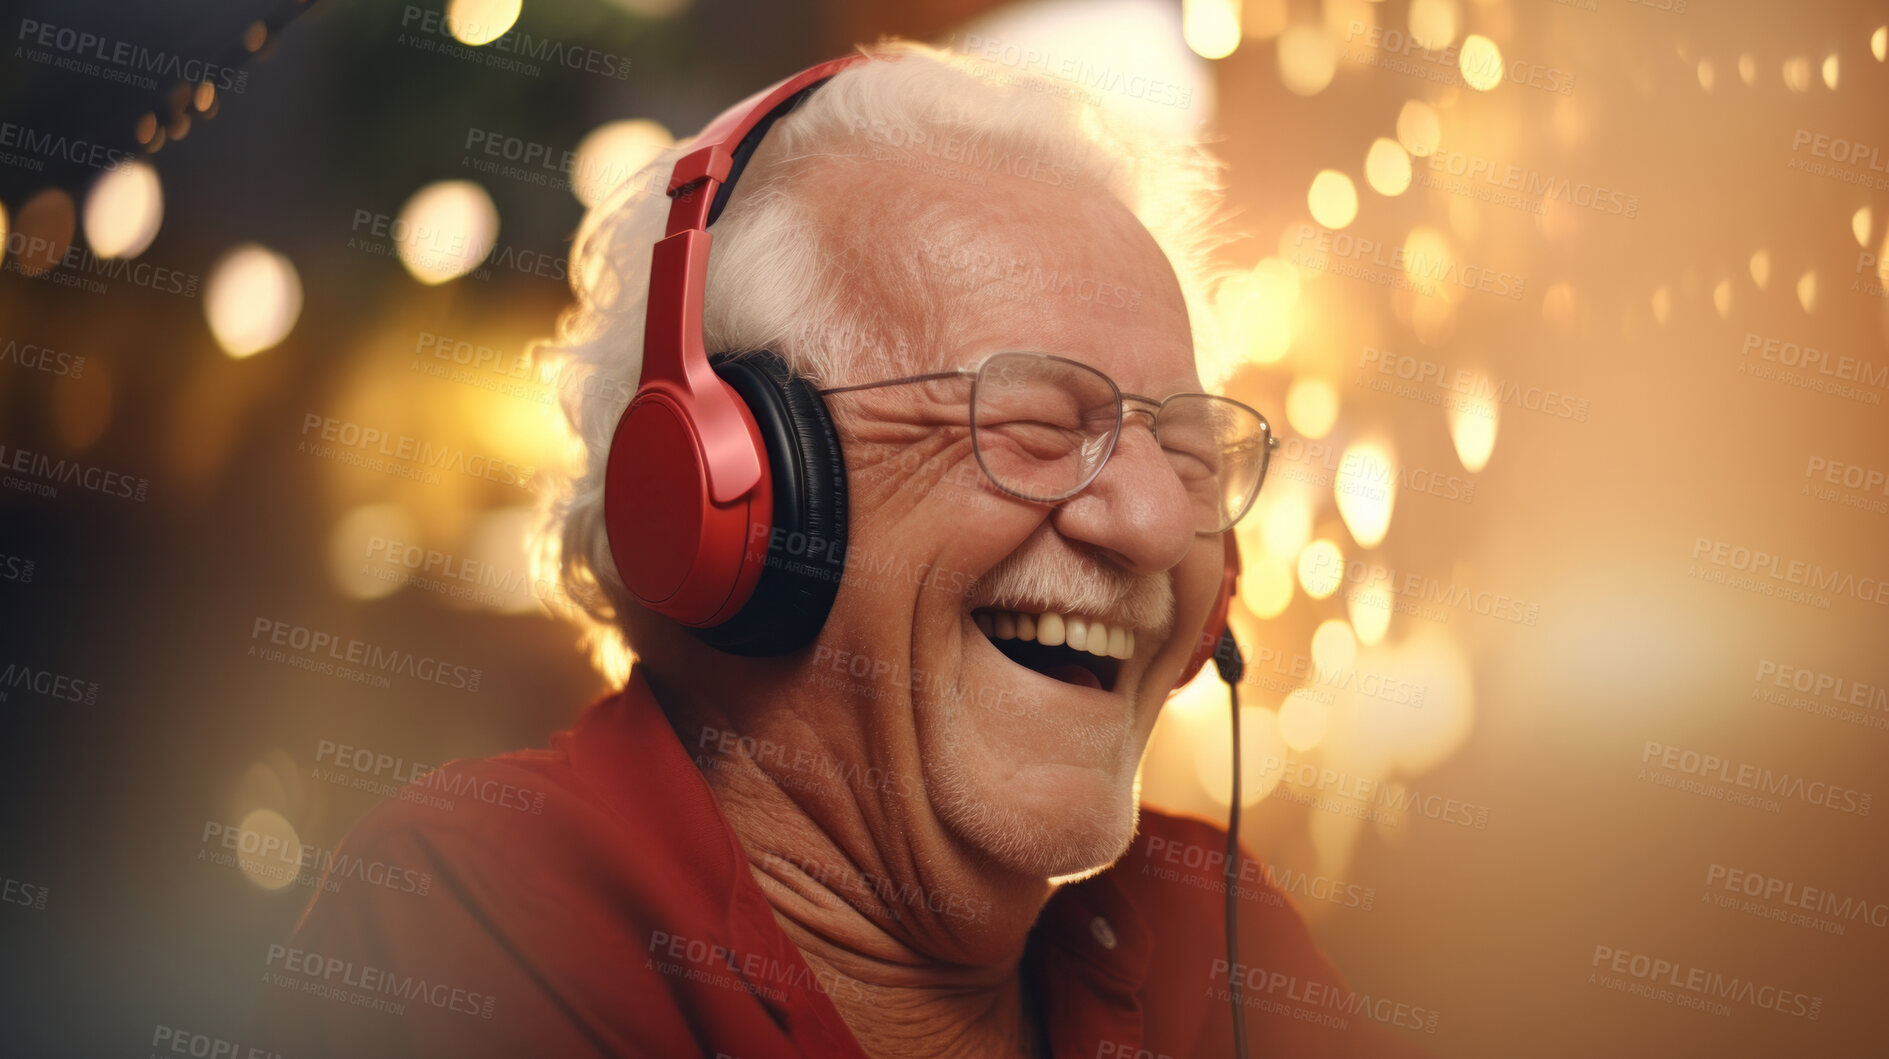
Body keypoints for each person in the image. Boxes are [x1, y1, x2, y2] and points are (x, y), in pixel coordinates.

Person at [265, 40, 1424, 1058]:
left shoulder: (1207, 928)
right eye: (1027, 423)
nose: (1159, 525)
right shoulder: (475, 913)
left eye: (1181, 451)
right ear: (730, 490)